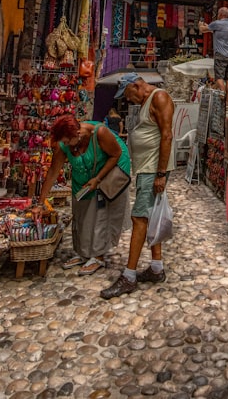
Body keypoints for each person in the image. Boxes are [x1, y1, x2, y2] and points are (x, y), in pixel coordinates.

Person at [100, 72, 174, 299]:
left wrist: (160, 174)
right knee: (150, 216)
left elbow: (167, 135)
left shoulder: (159, 97)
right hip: (146, 168)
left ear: (136, 85)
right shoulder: (146, 102)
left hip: (152, 170)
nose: (128, 100)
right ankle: (156, 268)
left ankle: (129, 276)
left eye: (128, 95)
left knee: (139, 218)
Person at [43, 113, 131, 276]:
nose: (65, 145)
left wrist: (97, 179)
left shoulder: (100, 133)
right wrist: (40, 202)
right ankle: (84, 252)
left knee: (101, 215)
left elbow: (116, 155)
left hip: (109, 171)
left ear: (77, 134)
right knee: (81, 212)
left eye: (67, 141)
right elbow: (53, 172)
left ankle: (98, 255)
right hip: (84, 175)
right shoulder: (65, 144)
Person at [199, 6, 228, 111]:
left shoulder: (217, 23)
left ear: (220, 14)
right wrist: (209, 27)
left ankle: (222, 93)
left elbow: (203, 30)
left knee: (219, 77)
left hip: (221, 54)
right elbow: (215, 31)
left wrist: (200, 24)